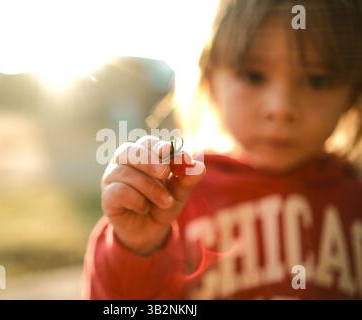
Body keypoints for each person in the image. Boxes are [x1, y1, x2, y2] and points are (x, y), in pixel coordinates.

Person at [83, 0, 362, 299]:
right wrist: (137, 248)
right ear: (210, 82)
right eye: (253, 76)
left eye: (316, 80)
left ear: (352, 93)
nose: (280, 108)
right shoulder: (172, 196)